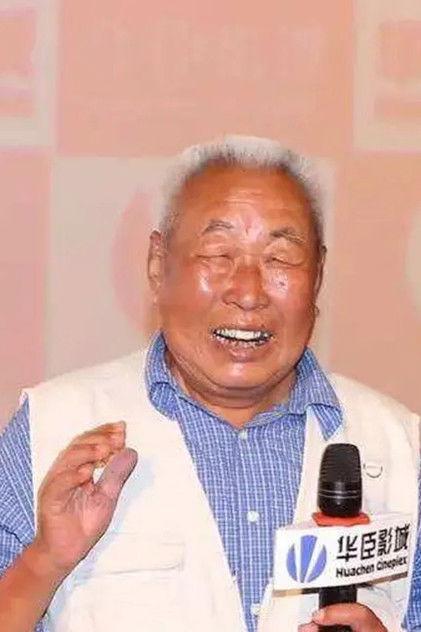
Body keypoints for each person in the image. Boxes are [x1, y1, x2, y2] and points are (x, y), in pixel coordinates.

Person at [0, 136, 419, 632]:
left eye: (281, 258)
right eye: (219, 253)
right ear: (158, 265)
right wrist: (44, 561)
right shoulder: (52, 430)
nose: (248, 292)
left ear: (319, 275)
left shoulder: (400, 446)